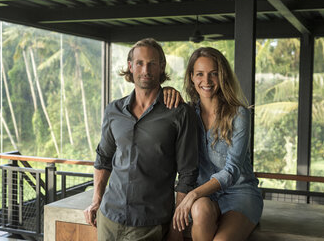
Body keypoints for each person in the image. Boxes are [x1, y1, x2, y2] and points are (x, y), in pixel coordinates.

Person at [84, 38, 199, 241]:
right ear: (130, 66)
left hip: (150, 223)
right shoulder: (114, 110)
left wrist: (177, 224)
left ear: (161, 67)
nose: (145, 69)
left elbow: (188, 173)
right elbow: (103, 159)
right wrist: (96, 200)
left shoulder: (179, 112)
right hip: (108, 218)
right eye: (139, 63)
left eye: (152, 63)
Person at [164, 47, 263, 241]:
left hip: (240, 193)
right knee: (200, 209)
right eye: (200, 74)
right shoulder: (186, 114)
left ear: (222, 76)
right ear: (192, 77)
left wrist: (192, 195)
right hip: (205, 198)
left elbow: (232, 171)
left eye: (213, 74)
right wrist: (165, 92)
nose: (206, 81)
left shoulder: (239, 115)